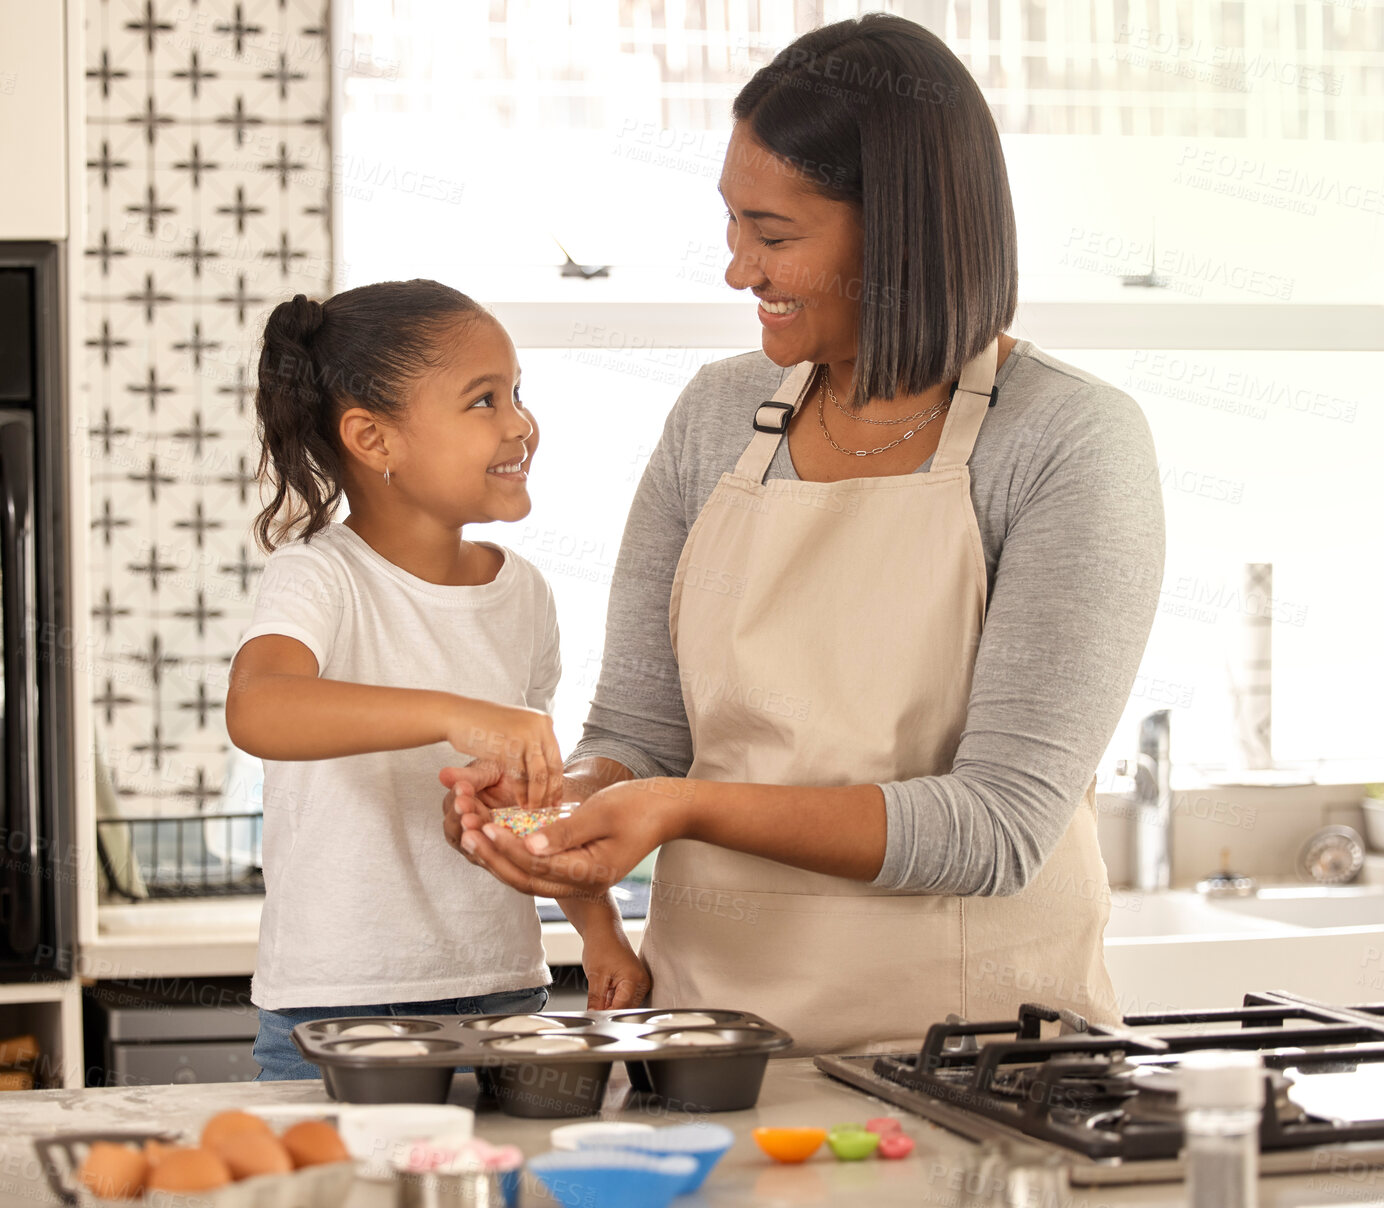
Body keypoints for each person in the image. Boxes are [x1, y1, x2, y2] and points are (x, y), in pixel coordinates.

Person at [445, 15, 1166, 1056]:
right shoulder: (713, 416)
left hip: (979, 1074)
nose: (737, 269)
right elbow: (640, 736)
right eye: (732, 225)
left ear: (900, 232)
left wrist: (678, 808)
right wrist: (557, 802)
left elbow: (1000, 826)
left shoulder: (1064, 440)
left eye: (773, 235)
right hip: (714, 1056)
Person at [228, 280, 647, 1081]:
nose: (520, 422)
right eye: (483, 400)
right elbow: (258, 707)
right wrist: (460, 715)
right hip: (340, 1006)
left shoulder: (522, 592)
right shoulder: (319, 575)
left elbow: (534, 798)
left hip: (503, 995)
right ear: (373, 438)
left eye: (517, 393)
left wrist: (598, 931)